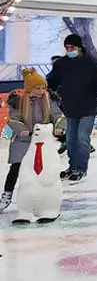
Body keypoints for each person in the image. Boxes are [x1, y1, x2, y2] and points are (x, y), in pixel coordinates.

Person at [47, 33, 97, 183]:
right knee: (71, 139)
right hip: (70, 108)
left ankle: (81, 169)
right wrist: (43, 89)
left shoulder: (92, 63)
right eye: (66, 47)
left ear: (79, 47)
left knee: (82, 138)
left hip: (88, 108)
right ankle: (72, 167)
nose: (69, 50)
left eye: (72, 47)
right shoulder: (61, 64)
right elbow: (51, 81)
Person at [1, 69, 65, 213]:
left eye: (43, 88)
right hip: (23, 141)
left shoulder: (49, 100)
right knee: (16, 166)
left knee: (45, 169)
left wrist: (59, 127)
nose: (41, 91)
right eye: (38, 88)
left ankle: (45, 198)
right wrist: (21, 129)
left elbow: (58, 116)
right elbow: (13, 119)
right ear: (30, 88)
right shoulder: (18, 101)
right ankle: (7, 195)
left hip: (43, 141)